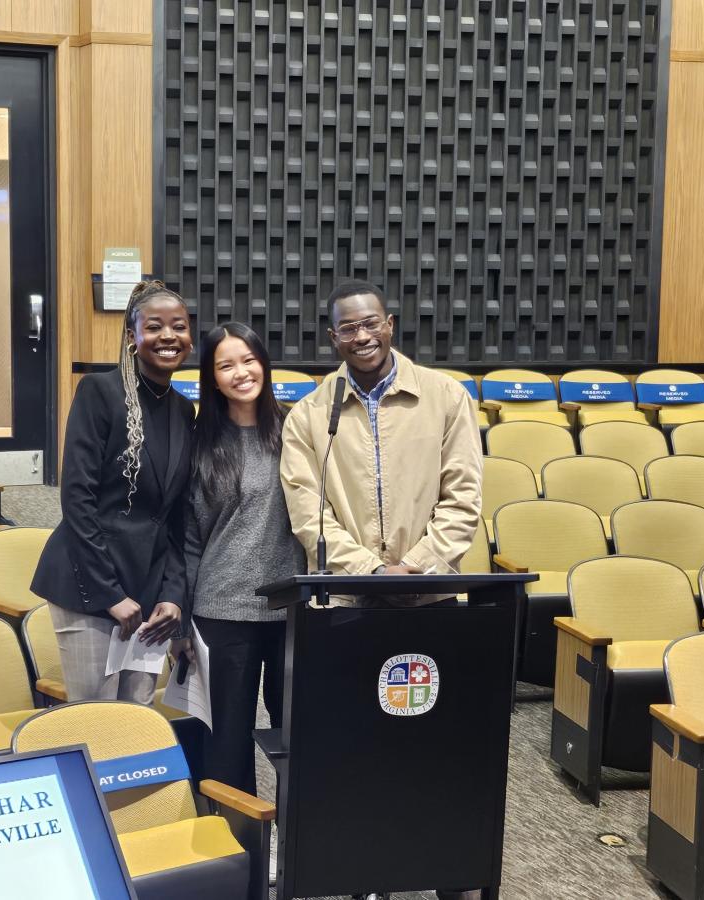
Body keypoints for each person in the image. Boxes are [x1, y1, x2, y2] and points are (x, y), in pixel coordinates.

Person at [279, 279, 483, 900]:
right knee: (356, 746)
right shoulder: (311, 414)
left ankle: (444, 864)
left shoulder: (445, 397)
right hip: (350, 604)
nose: (361, 336)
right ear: (332, 337)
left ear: (390, 323)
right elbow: (306, 510)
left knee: (434, 745)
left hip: (431, 600)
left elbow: (463, 496)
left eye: (371, 324)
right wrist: (369, 570)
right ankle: (361, 867)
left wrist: (416, 565)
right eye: (347, 328)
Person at [30, 280, 195, 704]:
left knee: (136, 720)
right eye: (155, 327)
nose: (168, 337)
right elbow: (77, 500)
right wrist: (109, 595)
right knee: (97, 720)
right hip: (90, 586)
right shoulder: (100, 392)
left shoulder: (182, 409)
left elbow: (175, 517)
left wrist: (173, 597)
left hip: (149, 595)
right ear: (132, 337)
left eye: (179, 326)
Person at [176, 322, 305, 796]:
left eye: (248, 359)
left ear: (264, 363)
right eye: (225, 365)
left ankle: (302, 844)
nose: (241, 372)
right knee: (226, 740)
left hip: (293, 606)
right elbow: (189, 537)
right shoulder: (200, 442)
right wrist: (182, 622)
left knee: (301, 734)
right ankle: (238, 850)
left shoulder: (298, 428)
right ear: (211, 378)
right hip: (222, 608)